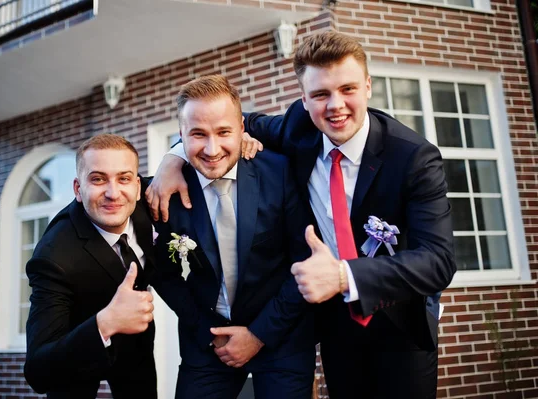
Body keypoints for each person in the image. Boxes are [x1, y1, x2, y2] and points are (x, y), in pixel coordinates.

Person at [146, 32, 457, 399]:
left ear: (368, 86)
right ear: (304, 98)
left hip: (399, 322)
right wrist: (174, 157)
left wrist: (344, 275)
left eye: (348, 89)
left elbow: (438, 261)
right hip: (335, 322)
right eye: (321, 94)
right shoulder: (298, 127)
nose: (335, 106)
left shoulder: (414, 158)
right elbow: (220, 122)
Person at [150, 75, 316, 399]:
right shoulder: (165, 191)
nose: (212, 150)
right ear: (181, 135)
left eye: (224, 132)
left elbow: (304, 260)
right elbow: (164, 273)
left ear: (242, 128)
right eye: (198, 134)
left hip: (281, 332)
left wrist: (258, 334)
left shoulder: (279, 172)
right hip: (209, 338)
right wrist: (206, 331)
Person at [24, 134, 157, 399]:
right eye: (98, 179)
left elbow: (201, 153)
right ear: (77, 189)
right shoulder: (53, 257)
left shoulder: (145, 201)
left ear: (138, 185)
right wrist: (105, 323)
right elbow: (37, 370)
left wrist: (174, 161)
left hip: (136, 353)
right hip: (74, 354)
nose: (113, 192)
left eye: (124, 178)